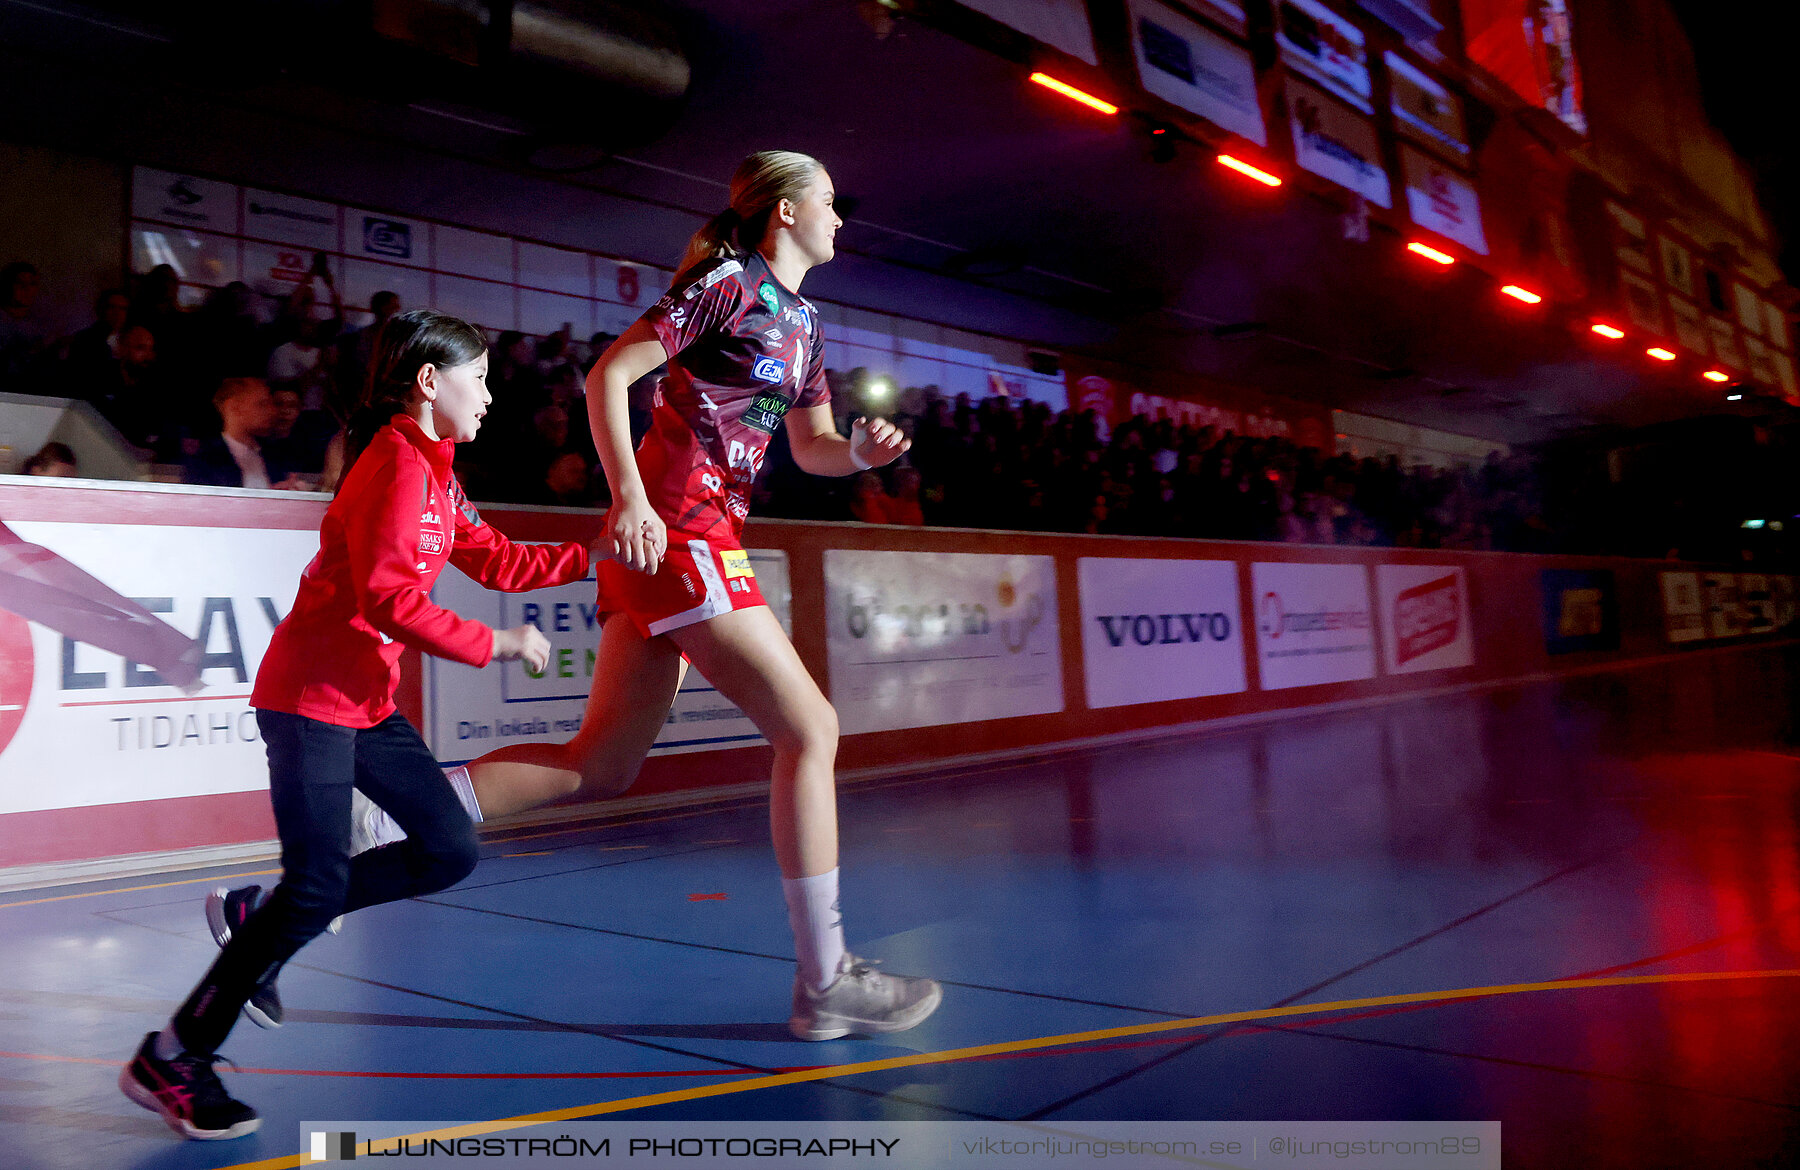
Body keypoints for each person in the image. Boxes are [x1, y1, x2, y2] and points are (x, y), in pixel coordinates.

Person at [355, 150, 942, 1043]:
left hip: (683, 541)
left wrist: (860, 456)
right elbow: (609, 376)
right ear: (783, 211)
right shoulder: (729, 286)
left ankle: (394, 805)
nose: (841, 219)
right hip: (678, 531)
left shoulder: (806, 323)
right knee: (812, 730)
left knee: (604, 763)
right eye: (828, 202)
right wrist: (629, 496)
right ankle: (825, 980)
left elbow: (814, 446)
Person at [121, 309, 593, 1141]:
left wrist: (601, 552)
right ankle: (175, 1054)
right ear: (428, 382)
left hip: (366, 704)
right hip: (308, 699)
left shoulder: (436, 472)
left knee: (449, 848)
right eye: (477, 378)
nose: (489, 394)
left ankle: (255, 918)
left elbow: (500, 559)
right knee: (318, 887)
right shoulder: (393, 466)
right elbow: (388, 597)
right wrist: (497, 643)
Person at [183, 378, 300, 489]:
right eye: (261, 404)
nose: (271, 411)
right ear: (234, 407)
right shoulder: (204, 461)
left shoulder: (275, 455)